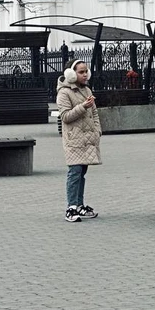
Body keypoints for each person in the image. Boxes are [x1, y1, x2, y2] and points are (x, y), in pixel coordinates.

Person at [57, 59, 102, 223]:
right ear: (71, 73)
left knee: (82, 172)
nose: (85, 75)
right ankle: (71, 207)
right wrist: (83, 106)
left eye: (86, 71)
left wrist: (98, 130)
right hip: (74, 139)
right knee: (74, 172)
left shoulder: (87, 89)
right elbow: (65, 117)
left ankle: (79, 205)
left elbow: (95, 113)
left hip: (88, 139)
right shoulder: (64, 92)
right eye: (81, 72)